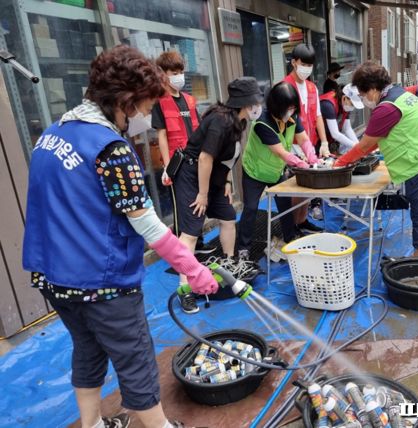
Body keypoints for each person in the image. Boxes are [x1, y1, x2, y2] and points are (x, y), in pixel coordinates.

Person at [22, 46, 218, 428]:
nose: (147, 115)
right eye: (145, 106)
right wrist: (191, 268)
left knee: (88, 350)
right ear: (126, 101)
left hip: (52, 275)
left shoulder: (52, 134)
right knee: (136, 357)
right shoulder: (110, 149)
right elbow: (145, 223)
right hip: (101, 280)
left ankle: (92, 425)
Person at [335, 62, 418, 258]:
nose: (364, 100)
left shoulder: (386, 108)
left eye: (363, 95)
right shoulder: (401, 94)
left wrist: (339, 163)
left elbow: (365, 145)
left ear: (372, 89)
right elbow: (373, 142)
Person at [174, 77, 262, 299]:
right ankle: (184, 288)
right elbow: (205, 158)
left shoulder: (238, 121)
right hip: (192, 176)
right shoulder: (220, 121)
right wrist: (202, 195)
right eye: (255, 103)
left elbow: (228, 155)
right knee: (191, 232)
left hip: (214, 178)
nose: (258, 107)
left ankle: (229, 262)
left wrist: (227, 181)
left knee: (229, 217)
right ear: (245, 103)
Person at [152, 51, 215, 314]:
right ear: (163, 74)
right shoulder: (159, 102)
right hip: (179, 169)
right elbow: (163, 136)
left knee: (194, 222)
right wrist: (167, 166)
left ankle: (192, 260)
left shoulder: (189, 100)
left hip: (196, 166)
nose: (178, 76)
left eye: (180, 71)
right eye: (173, 72)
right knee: (186, 228)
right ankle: (185, 288)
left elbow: (199, 133)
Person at [237, 82, 317, 261]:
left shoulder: (291, 117)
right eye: (288, 107)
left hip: (275, 171)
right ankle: (243, 248)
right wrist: (301, 164)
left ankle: (290, 239)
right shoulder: (262, 123)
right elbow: (281, 152)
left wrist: (311, 154)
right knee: (250, 208)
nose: (292, 111)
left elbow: (303, 138)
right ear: (277, 106)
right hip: (255, 171)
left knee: (285, 206)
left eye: (293, 107)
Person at [283, 43, 327, 230]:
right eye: (304, 64)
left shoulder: (312, 88)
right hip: (292, 144)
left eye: (310, 65)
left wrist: (324, 141)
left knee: (309, 187)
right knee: (297, 188)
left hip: (310, 144)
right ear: (294, 62)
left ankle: (302, 221)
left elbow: (317, 115)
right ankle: (293, 226)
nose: (307, 69)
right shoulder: (284, 87)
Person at [319, 84, 364, 155]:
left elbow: (347, 129)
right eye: (352, 104)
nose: (352, 108)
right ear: (344, 98)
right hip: (317, 139)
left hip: (328, 139)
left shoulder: (344, 105)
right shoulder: (328, 105)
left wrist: (358, 145)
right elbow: (335, 134)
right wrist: (355, 146)